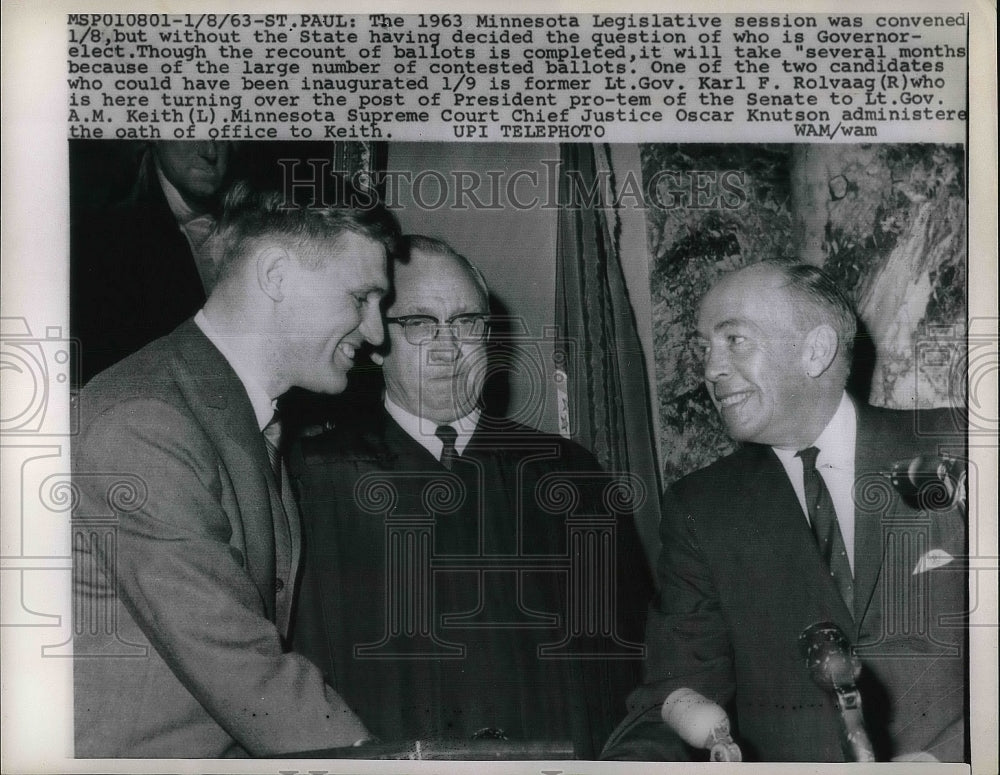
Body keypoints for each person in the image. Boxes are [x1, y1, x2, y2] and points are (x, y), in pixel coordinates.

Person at [290, 236, 652, 759]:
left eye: (466, 323)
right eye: (419, 323)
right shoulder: (317, 481)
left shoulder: (570, 476)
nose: (447, 347)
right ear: (376, 339)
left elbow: (634, 665)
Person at [71, 183, 400, 757]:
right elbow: (241, 664)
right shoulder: (146, 422)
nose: (377, 334)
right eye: (361, 298)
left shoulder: (231, 413)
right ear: (275, 275)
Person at [603, 261, 966, 762]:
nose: (710, 369)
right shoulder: (701, 508)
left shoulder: (961, 447)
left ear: (815, 351)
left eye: (735, 340)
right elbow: (674, 692)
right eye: (705, 347)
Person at [72, 141, 234, 384]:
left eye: (222, 132)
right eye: (190, 129)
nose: (209, 152)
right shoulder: (101, 244)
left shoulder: (260, 224)